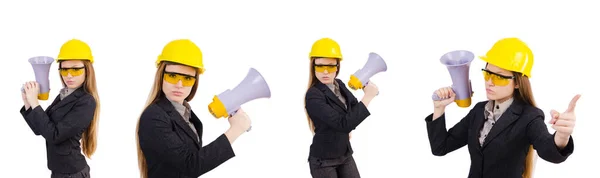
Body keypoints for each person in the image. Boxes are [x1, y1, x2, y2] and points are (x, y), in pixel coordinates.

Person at [426, 37, 579, 178]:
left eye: (499, 77)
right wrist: (439, 109)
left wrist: (562, 137)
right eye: (487, 74)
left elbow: (549, 151)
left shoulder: (529, 117)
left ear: (518, 82)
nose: (489, 82)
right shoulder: (479, 111)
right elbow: (441, 147)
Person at [136, 39, 252, 178]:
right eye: (172, 76)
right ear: (161, 77)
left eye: (187, 79)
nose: (179, 84)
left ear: (195, 82)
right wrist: (235, 130)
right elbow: (188, 166)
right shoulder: (153, 116)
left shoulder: (187, 115)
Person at [20, 39, 100, 178]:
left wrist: (35, 103)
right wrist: (28, 103)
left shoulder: (86, 101)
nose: (68, 75)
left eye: (75, 69)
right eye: (64, 69)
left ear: (87, 70)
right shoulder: (64, 94)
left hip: (72, 173)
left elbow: (54, 135)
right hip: (59, 171)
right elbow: (40, 129)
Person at [304, 38, 379, 178]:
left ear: (337, 66)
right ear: (313, 67)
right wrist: (368, 97)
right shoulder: (313, 96)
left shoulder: (339, 84)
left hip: (344, 154)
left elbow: (354, 110)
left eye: (330, 66)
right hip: (324, 160)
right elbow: (344, 123)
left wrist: (349, 123)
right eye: (320, 66)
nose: (325, 71)